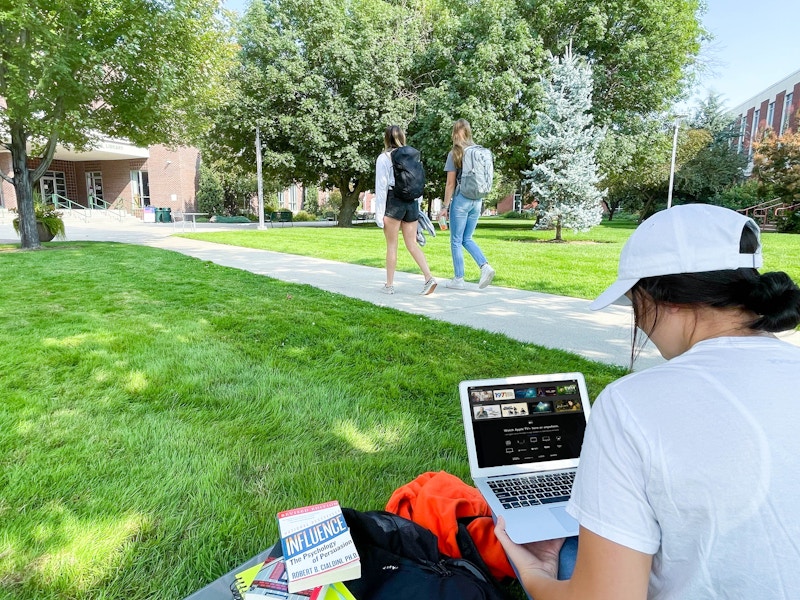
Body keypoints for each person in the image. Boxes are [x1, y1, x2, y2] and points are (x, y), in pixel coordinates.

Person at [495, 204, 800, 599]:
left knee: (568, 542)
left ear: (662, 297)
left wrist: (535, 575)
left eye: (633, 304)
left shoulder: (629, 404)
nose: (638, 322)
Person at [373, 125, 437, 295]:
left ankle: (389, 285)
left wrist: (379, 214)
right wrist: (417, 203)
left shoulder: (384, 158)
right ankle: (429, 277)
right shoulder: (412, 156)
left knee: (392, 245)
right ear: (402, 137)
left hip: (394, 202)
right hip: (412, 202)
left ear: (386, 138)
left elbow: (381, 187)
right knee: (412, 244)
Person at [440, 119, 495, 290]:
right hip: (477, 200)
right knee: (467, 238)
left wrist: (444, 207)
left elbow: (450, 184)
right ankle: (485, 266)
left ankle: (458, 279)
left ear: (454, 133)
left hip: (461, 200)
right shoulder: (478, 151)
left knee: (456, 240)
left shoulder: (455, 153)